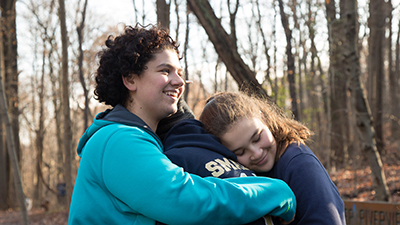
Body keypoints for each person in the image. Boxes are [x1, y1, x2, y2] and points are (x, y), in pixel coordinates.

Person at [68, 24, 296, 225]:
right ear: (130, 79)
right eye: (165, 71)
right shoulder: (118, 139)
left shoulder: (133, 137)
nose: (178, 82)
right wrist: (276, 193)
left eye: (179, 72)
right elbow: (188, 201)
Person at [198, 91, 346, 225]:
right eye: (240, 152)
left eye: (257, 138)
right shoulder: (235, 173)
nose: (256, 153)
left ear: (263, 118)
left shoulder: (300, 164)